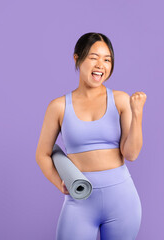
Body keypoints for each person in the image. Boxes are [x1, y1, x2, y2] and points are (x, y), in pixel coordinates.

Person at [35, 32, 146, 240]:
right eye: (93, 58)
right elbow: (42, 153)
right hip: (80, 200)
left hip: (122, 201)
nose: (100, 65)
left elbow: (131, 154)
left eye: (107, 60)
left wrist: (137, 115)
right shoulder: (58, 106)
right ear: (77, 58)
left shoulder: (122, 100)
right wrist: (59, 181)